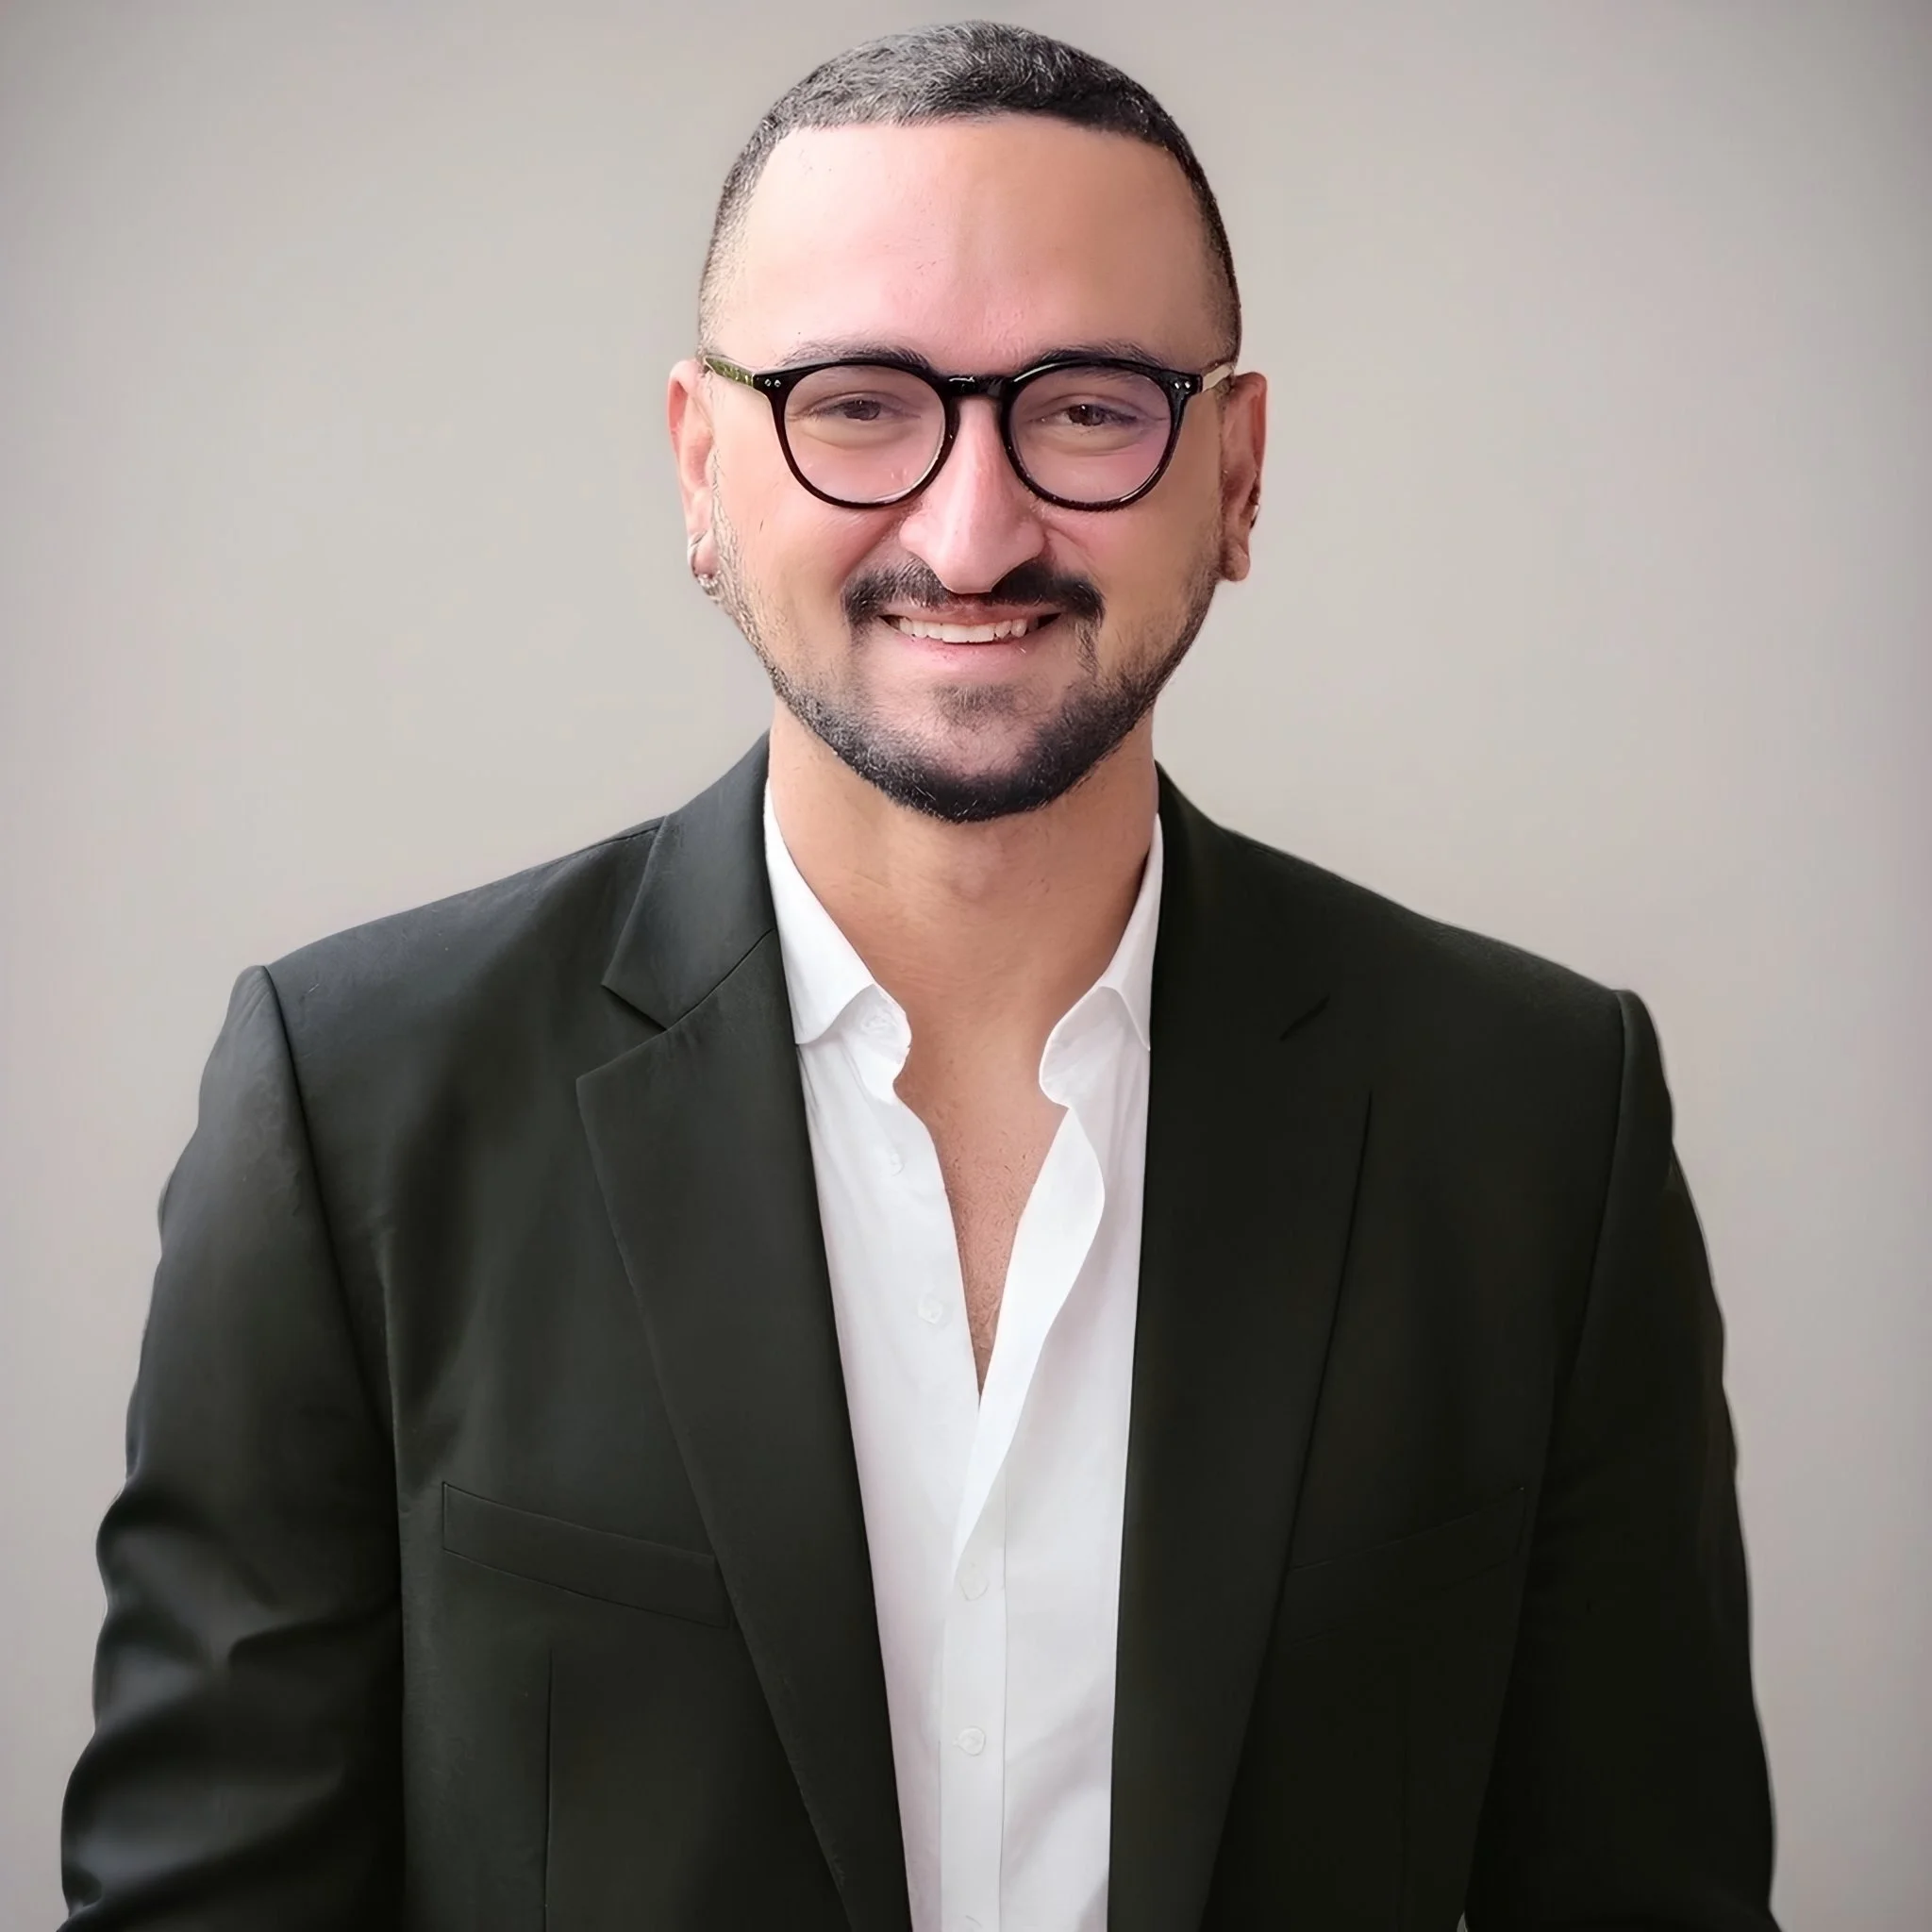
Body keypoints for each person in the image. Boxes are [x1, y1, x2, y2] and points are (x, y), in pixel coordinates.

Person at [59, 21, 1779, 1931]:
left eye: (1087, 404)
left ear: (1235, 465)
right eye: (860, 404)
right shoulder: (356, 1107)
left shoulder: (1540, 1123)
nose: (973, 528)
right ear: (702, 468)